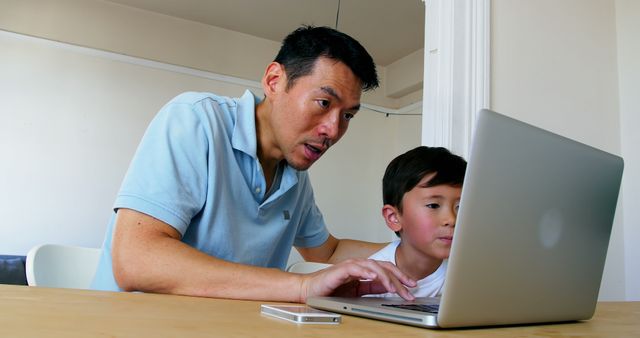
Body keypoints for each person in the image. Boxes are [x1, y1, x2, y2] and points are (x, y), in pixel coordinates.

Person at [90, 25, 416, 302]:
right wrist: (302, 286)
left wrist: (417, 248)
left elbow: (327, 253)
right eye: (323, 102)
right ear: (274, 81)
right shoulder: (196, 119)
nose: (333, 129)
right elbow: (137, 259)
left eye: (347, 115)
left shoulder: (295, 180)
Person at [367, 146, 467, 297]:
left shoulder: (469, 275)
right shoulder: (370, 278)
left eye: (460, 206)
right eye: (433, 205)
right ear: (394, 218)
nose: (452, 219)